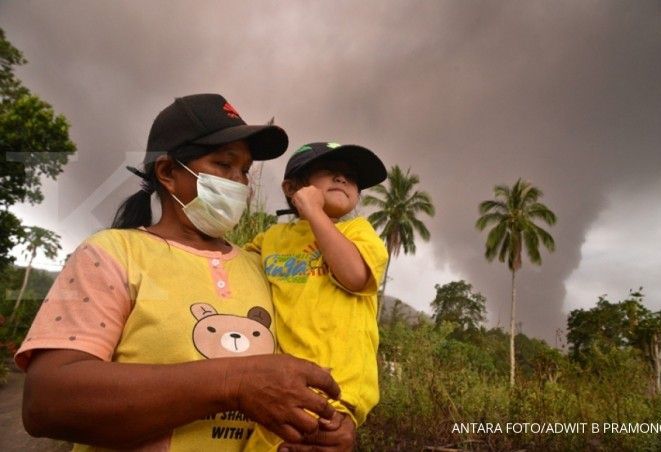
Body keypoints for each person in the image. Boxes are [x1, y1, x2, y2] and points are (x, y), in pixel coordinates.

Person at [15, 94, 356, 451]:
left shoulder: (263, 268)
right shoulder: (112, 253)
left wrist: (332, 429)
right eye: (224, 165)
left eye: (243, 171)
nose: (239, 182)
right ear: (167, 173)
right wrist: (233, 384)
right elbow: (46, 403)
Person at [244, 142, 389, 451]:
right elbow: (236, 271)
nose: (342, 179)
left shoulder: (360, 233)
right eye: (329, 172)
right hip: (281, 387)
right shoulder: (271, 239)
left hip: (337, 394)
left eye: (350, 178)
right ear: (292, 187)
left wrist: (312, 211)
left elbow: (353, 275)